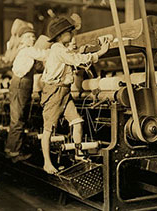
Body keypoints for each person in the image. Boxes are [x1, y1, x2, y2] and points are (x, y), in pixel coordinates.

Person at [41, 16, 109, 174]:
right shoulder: (58, 49)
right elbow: (76, 59)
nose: (72, 34)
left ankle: (78, 154)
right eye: (69, 32)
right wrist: (100, 53)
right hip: (54, 91)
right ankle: (47, 163)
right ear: (60, 35)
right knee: (48, 129)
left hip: (64, 91)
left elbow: (73, 55)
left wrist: (84, 50)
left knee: (77, 121)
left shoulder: (61, 49)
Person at [4, 19, 49, 163]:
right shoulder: (27, 50)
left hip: (21, 85)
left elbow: (37, 66)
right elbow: (44, 55)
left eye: (33, 36)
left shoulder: (24, 51)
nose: (33, 38)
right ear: (23, 39)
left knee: (17, 119)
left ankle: (10, 149)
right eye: (29, 36)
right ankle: (15, 153)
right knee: (18, 120)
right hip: (20, 85)